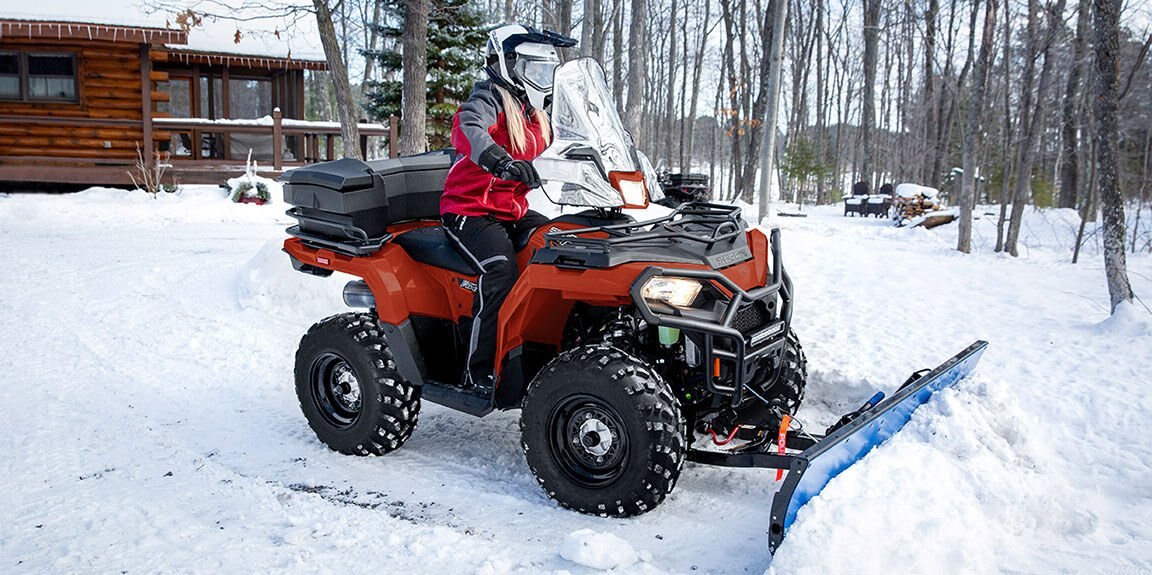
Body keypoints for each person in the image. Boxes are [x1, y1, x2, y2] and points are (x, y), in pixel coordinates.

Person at [440, 24, 576, 392]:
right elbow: (467, 127)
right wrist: (499, 162)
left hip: (510, 210)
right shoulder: (489, 98)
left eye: (546, 71)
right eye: (533, 69)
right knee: (499, 270)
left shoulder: (535, 111)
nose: (541, 79)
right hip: (468, 210)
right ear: (508, 65)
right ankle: (480, 368)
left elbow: (572, 141)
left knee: (563, 244)